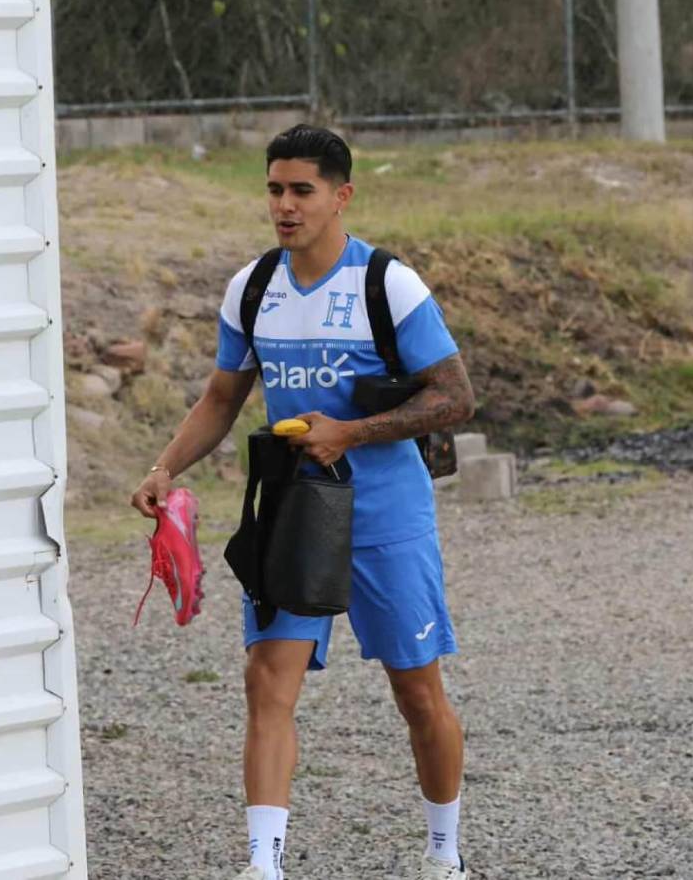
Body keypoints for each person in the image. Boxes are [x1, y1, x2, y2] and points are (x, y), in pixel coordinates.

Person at [130, 124, 475, 880]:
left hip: (387, 515)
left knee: (418, 694)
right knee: (267, 683)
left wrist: (350, 432)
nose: (284, 206)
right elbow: (223, 397)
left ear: (341, 196)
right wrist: (164, 467)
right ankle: (264, 866)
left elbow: (456, 398)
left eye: (301, 191)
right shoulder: (253, 287)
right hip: (292, 512)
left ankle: (443, 856)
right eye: (274, 190)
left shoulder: (387, 283)